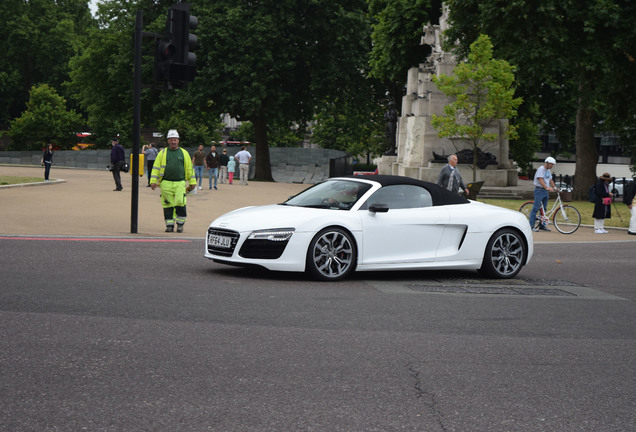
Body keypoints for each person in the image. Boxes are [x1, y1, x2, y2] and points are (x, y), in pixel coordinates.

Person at [149, 129, 196, 233]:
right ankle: (169, 225)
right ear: (168, 141)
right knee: (167, 204)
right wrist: (153, 181)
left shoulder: (184, 153)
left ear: (178, 140)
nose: (173, 142)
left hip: (180, 182)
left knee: (180, 202)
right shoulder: (162, 153)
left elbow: (190, 169)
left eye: (175, 140)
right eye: (171, 140)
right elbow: (155, 168)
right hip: (165, 182)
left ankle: (180, 225)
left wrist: (192, 183)